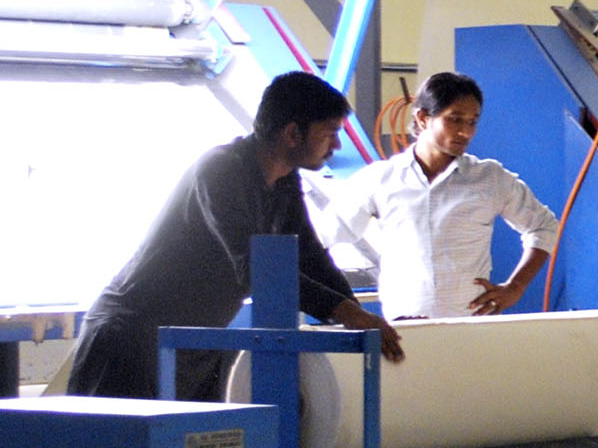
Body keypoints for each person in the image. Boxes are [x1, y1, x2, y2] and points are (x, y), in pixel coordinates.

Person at [68, 71, 404, 401]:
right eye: (330, 132)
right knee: (124, 439)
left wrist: (361, 318)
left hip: (189, 343)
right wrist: (345, 312)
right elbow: (254, 269)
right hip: (130, 338)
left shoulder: (284, 181)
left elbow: (310, 256)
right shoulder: (221, 171)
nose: (337, 145)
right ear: (292, 133)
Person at [332, 71, 562, 319]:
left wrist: (516, 287)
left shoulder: (489, 178)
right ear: (423, 118)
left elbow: (544, 226)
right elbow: (325, 236)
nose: (466, 132)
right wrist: (338, 304)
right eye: (455, 119)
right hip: (402, 327)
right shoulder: (380, 179)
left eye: (472, 122)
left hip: (472, 326)